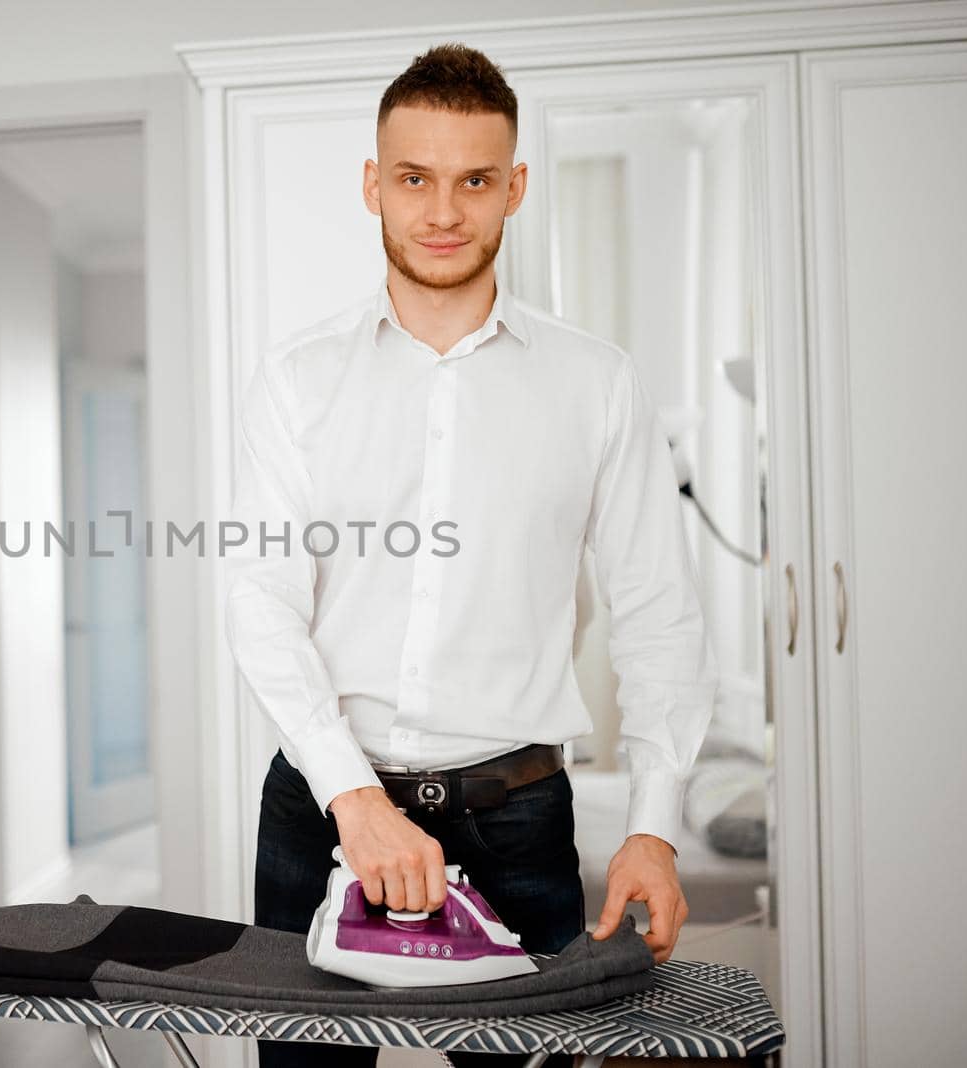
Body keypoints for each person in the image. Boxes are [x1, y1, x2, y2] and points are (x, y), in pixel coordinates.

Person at [222, 42, 719, 1068]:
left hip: (519, 822)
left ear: (513, 189)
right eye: (414, 178)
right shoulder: (295, 384)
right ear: (373, 184)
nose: (442, 212)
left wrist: (657, 825)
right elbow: (259, 598)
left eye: (473, 181)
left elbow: (658, 611)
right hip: (321, 810)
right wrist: (354, 801)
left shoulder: (597, 385)